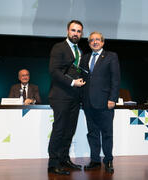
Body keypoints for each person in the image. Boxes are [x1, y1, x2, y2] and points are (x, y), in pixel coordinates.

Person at [48, 20, 86, 175]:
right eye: (73, 30)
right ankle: (53, 163)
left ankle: (64, 159)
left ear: (81, 34)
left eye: (78, 31)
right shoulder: (59, 47)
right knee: (59, 129)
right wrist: (72, 82)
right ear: (67, 31)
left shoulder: (80, 51)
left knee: (70, 130)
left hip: (75, 98)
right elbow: (54, 71)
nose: (75, 33)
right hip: (61, 96)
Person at [80, 31, 121, 173]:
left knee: (107, 133)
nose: (95, 42)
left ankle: (108, 160)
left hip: (105, 103)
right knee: (92, 133)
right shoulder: (84, 58)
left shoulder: (111, 56)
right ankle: (95, 160)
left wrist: (112, 99)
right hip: (88, 103)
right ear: (89, 43)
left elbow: (115, 80)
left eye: (98, 40)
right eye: (92, 40)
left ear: (103, 42)